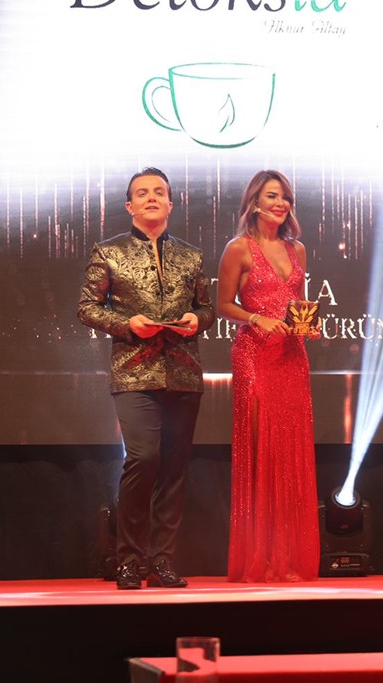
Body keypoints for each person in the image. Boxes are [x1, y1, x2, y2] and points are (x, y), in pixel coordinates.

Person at [77, 167, 214, 590]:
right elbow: (87, 307)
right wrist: (127, 324)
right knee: (143, 458)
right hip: (134, 371)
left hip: (184, 372)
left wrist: (197, 320)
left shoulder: (191, 256)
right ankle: (130, 560)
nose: (151, 197)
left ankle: (163, 560)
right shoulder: (108, 251)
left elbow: (207, 308)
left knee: (174, 468)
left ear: (170, 203)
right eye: (142, 193)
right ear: (129, 205)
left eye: (159, 192)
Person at [216, 169, 320, 582]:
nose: (280, 203)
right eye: (272, 196)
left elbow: (297, 304)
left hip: (291, 357)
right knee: (263, 453)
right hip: (255, 356)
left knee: (290, 455)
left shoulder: (298, 250)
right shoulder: (239, 248)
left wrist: (306, 325)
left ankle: (287, 558)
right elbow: (223, 305)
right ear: (255, 202)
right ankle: (260, 557)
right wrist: (256, 317)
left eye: (285, 197)